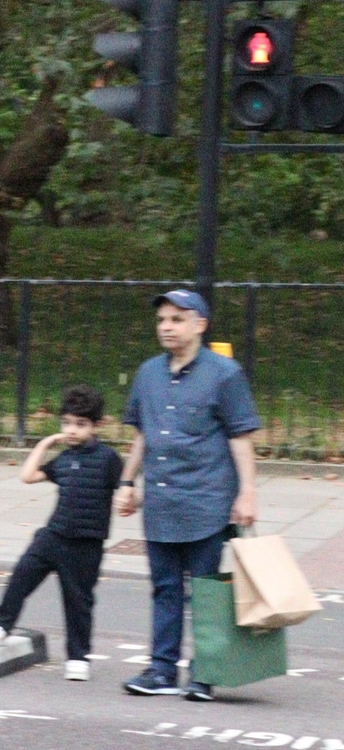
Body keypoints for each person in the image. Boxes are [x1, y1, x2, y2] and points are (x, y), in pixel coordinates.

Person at [117, 289, 261, 701]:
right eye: (162, 319)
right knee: (164, 588)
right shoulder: (148, 373)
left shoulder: (225, 374)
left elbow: (241, 438)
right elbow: (142, 434)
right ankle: (161, 671)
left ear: (200, 324)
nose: (167, 326)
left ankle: (204, 673)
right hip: (161, 503)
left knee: (206, 592)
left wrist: (247, 494)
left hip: (207, 501)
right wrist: (127, 483)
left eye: (177, 319)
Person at [0, 385, 122, 680]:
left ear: (96, 426)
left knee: (78, 602)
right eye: (66, 423)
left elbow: (126, 489)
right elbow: (27, 476)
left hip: (86, 544)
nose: (72, 430)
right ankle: (0, 625)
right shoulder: (63, 460)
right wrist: (46, 443)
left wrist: (128, 498)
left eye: (80, 424)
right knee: (21, 577)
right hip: (53, 537)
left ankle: (78, 658)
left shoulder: (108, 459)